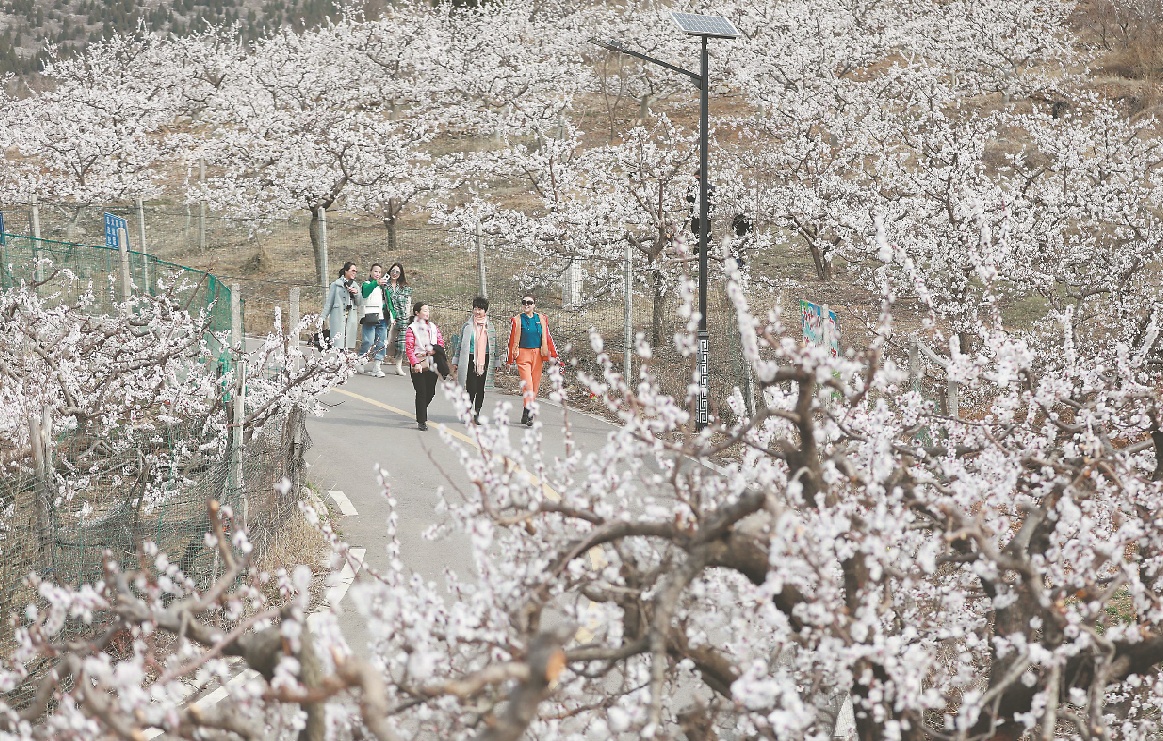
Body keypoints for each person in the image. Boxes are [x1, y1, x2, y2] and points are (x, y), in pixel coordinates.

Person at [506, 294, 558, 427]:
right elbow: (511, 341)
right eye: (524, 302)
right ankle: (530, 413)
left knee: (535, 385)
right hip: (523, 354)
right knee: (528, 384)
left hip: (538, 354)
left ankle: (525, 411)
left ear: (534, 305)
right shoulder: (517, 320)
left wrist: (554, 355)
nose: (526, 305)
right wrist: (509, 359)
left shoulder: (541, 319)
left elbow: (547, 337)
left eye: (529, 302)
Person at [449, 297, 499, 425]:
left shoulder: (490, 326)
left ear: (485, 311)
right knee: (471, 387)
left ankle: (477, 413)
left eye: (480, 309)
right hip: (469, 358)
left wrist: (496, 361)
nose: (477, 312)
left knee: (481, 388)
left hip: (485, 359)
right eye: (475, 308)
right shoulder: (467, 326)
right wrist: (456, 360)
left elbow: (494, 344)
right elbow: (460, 344)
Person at [405, 301, 444, 431]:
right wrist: (415, 363)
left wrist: (435, 349)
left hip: (432, 362)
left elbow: (440, 342)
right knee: (421, 391)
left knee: (431, 392)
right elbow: (409, 348)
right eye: (424, 310)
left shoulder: (433, 327)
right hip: (419, 362)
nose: (427, 313)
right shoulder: (412, 328)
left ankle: (420, 410)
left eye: (428, 310)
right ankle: (422, 420)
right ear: (417, 313)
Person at [321, 262, 361, 352]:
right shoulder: (335, 285)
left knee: (348, 343)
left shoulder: (356, 286)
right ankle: (339, 362)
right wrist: (322, 317)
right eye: (352, 270)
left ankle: (344, 363)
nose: (354, 273)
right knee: (338, 344)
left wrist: (356, 294)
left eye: (356, 271)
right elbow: (329, 303)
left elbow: (359, 302)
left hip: (350, 318)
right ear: (346, 271)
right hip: (338, 318)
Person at [383, 262, 412, 376]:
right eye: (393, 271)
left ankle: (398, 366)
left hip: (402, 317)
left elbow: (408, 303)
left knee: (401, 343)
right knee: (384, 340)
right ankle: (378, 361)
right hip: (387, 316)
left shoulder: (405, 288)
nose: (394, 273)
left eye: (397, 272)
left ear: (401, 274)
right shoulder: (385, 285)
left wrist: (407, 316)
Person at [359, 263, 389, 376]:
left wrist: (392, 314)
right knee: (369, 341)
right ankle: (360, 360)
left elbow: (387, 302)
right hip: (370, 316)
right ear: (371, 272)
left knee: (381, 342)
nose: (377, 274)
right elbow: (365, 293)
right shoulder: (367, 284)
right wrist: (376, 283)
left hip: (382, 318)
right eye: (375, 271)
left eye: (379, 272)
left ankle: (377, 366)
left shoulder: (383, 287)